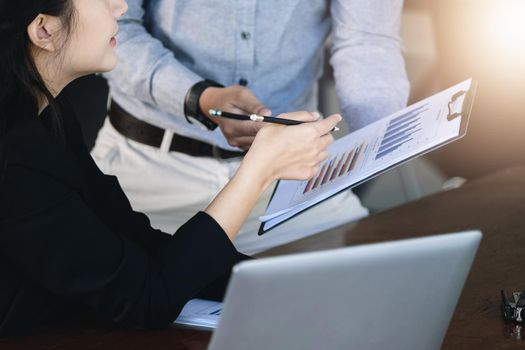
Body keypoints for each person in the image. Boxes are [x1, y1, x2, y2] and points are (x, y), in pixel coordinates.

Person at [0, 0, 340, 336]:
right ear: (44, 30)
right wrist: (259, 171)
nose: (120, 7)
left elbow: (137, 244)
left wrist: (284, 285)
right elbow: (147, 299)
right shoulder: (16, 163)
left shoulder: (49, 118)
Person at [91, 0, 410, 253]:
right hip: (146, 172)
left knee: (365, 282)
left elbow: (367, 39)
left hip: (291, 179)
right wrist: (199, 98)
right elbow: (116, 28)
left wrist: (382, 137)